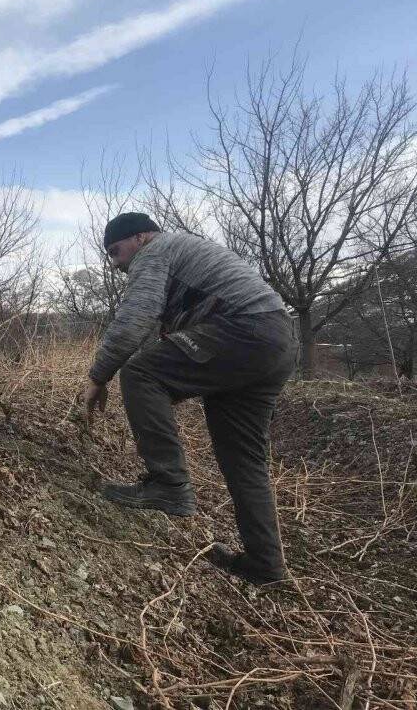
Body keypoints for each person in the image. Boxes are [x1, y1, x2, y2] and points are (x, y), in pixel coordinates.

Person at [81, 213, 297, 586]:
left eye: (116, 251)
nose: (115, 264)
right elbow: (163, 338)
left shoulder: (157, 250)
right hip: (275, 340)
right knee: (242, 458)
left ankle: (168, 485)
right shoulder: (184, 257)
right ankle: (266, 565)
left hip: (245, 329)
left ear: (141, 237)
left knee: (140, 372)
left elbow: (135, 319)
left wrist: (98, 377)